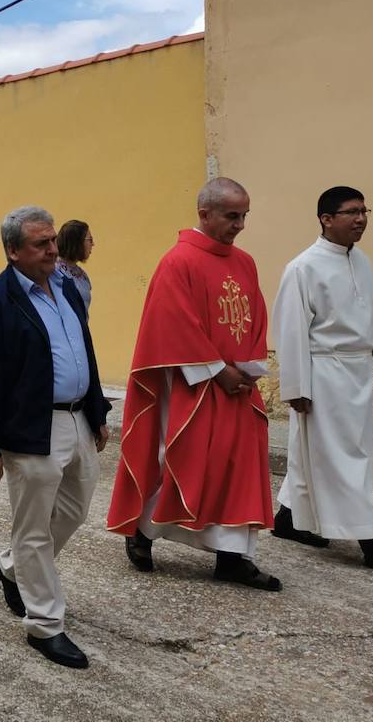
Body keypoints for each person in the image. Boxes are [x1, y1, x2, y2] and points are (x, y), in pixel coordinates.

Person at [106, 178, 280, 591]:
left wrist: (248, 368)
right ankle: (143, 533)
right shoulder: (178, 262)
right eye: (232, 216)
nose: (240, 225)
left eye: (244, 216)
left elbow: (255, 317)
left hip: (238, 387)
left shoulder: (245, 262)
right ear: (205, 214)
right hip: (194, 385)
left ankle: (233, 556)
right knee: (183, 461)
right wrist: (219, 370)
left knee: (238, 468)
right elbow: (173, 324)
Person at [0, 206, 111, 669]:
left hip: (77, 421)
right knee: (32, 529)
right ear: (12, 251)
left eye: (52, 240)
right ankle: (45, 624)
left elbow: (84, 350)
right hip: (30, 428)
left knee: (74, 510)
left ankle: (10, 567)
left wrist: (97, 408)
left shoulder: (66, 287)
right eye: (40, 244)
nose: (52, 250)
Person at [271, 186, 373, 575]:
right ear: (326, 218)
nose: (361, 219)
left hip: (356, 373)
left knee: (315, 454)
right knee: (346, 461)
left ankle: (288, 519)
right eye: (351, 212)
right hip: (323, 377)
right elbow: (290, 332)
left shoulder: (363, 263)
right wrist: (297, 389)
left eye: (364, 210)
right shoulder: (302, 268)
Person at [54, 220, 93, 312]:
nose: (93, 244)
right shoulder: (53, 271)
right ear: (77, 241)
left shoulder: (83, 275)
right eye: (90, 240)